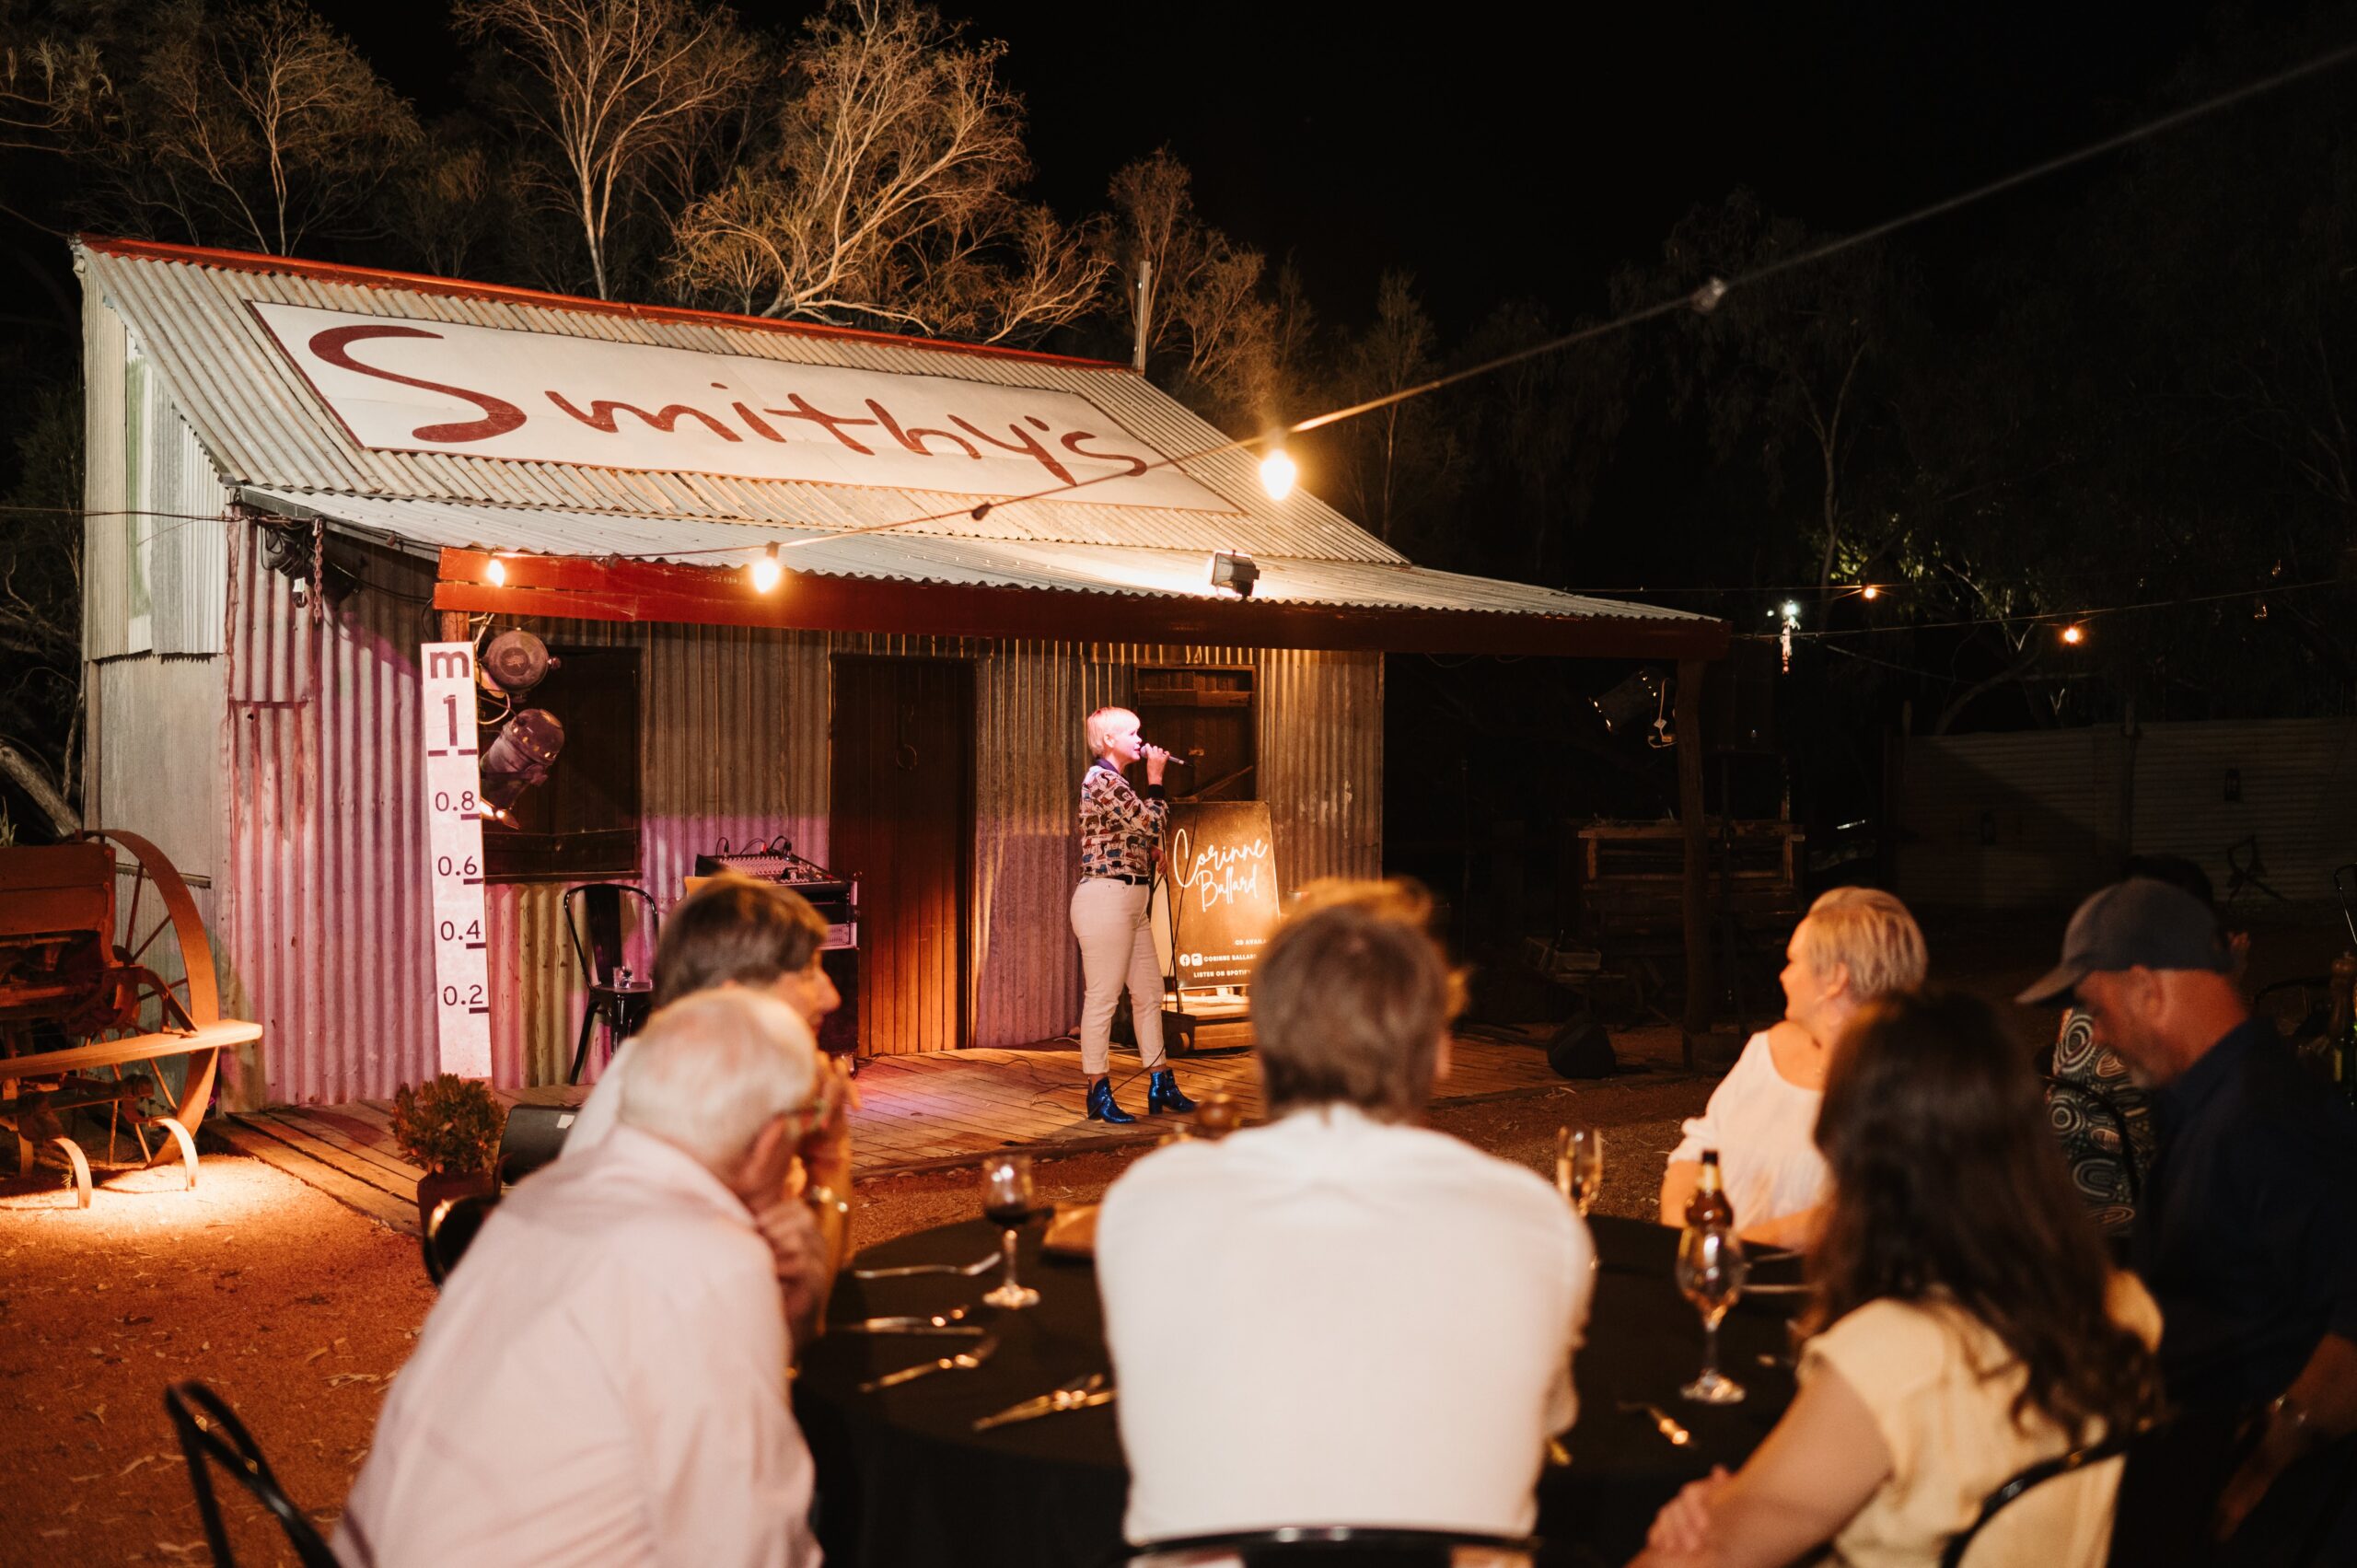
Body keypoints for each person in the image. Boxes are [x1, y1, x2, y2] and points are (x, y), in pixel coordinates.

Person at [1098, 879, 1592, 1553]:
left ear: (1261, 1050)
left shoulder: (1146, 1205)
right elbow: (1550, 1417)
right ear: (1441, 1051)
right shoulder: (1537, 1221)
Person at [1632, 990, 2165, 1568]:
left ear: (1852, 1154)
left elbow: (1712, 1553)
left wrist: (1707, 1518)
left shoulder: (1890, 1358)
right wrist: (1736, 1504)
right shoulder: (2126, 1305)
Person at [337, 990, 833, 1567]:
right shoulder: (710, 1258)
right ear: (770, 1137)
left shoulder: (538, 1199)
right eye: (805, 1124)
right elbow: (749, 1547)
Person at [2021, 877, 2357, 1557]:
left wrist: (2261, 1466)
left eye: (2097, 1010)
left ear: (2147, 988)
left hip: (2272, 1516)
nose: (2098, 1038)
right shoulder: (2211, 1103)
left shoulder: (2265, 1120)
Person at [562, 874, 852, 1342]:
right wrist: (830, 1160)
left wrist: (826, 1152)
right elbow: (787, 1331)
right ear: (734, 997)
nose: (830, 996)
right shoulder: (688, 1118)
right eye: (806, 973)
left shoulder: (687, 1075)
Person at [1658, 887, 1926, 1249]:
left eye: (1793, 961)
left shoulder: (1897, 1086)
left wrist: (1734, 1249)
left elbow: (1859, 1212)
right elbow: (1699, 1149)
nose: (1783, 976)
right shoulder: (1765, 1051)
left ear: (1835, 979)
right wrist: (1682, 1230)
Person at [2043, 854, 2243, 1237]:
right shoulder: (2218, 1102)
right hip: (2107, 1197)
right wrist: (2228, 985)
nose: (2096, 1034)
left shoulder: (2242, 1122)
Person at [1073, 704, 1193, 1123]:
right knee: (1103, 998)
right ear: (1109, 740)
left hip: (1131, 900)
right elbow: (1148, 821)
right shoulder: (1101, 779)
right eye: (1133, 734)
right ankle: (1097, 1090)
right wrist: (1156, 780)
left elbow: (1125, 832)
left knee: (1149, 993)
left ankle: (1160, 1081)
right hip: (1105, 900)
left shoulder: (1117, 782)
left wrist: (1148, 851)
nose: (1141, 741)